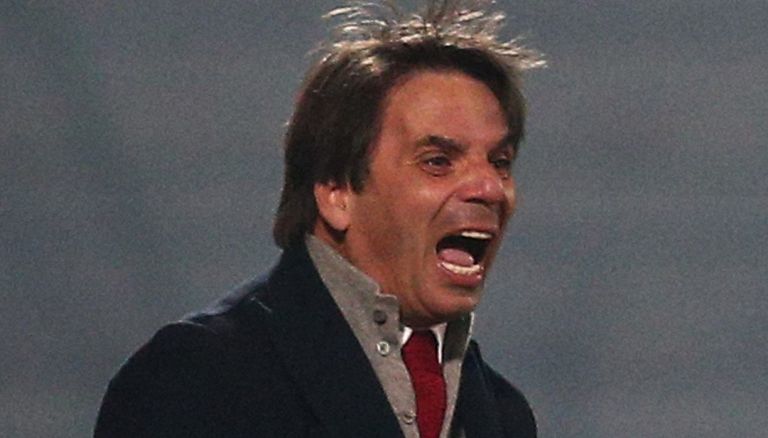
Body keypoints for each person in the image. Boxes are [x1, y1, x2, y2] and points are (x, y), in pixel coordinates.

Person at [95, 1, 543, 437]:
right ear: (336, 190)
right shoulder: (199, 378)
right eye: (438, 161)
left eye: (500, 163)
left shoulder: (503, 415)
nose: (489, 189)